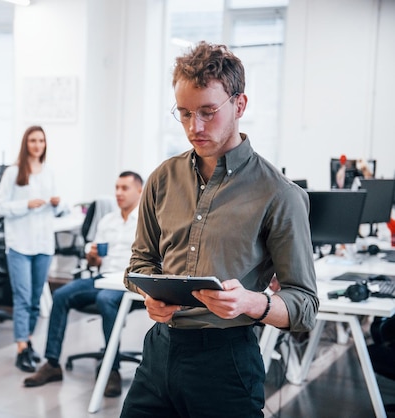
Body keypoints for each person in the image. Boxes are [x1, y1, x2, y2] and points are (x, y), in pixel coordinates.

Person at [120, 41, 319, 418]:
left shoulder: (279, 194)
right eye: (184, 113)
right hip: (159, 353)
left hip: (226, 361)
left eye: (208, 112)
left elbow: (305, 306)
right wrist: (149, 291)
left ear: (239, 105)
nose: (194, 127)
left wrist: (249, 302)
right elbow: (140, 263)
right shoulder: (163, 178)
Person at [23, 171, 144, 398]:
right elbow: (95, 262)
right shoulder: (108, 221)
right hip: (104, 276)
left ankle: (111, 370)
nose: (118, 193)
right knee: (61, 295)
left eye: (125, 188)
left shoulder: (147, 221)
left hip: (128, 282)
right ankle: (52, 363)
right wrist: (93, 256)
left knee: (106, 299)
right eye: (116, 187)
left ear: (139, 191)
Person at [0, 125, 62, 373]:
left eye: (41, 141)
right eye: (33, 140)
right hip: (20, 244)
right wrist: (26, 204)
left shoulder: (49, 172)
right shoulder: (13, 173)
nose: (37, 145)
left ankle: (28, 340)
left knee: (35, 300)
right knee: (22, 298)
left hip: (43, 244)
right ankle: (21, 347)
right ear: (26, 144)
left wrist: (56, 203)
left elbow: (56, 210)